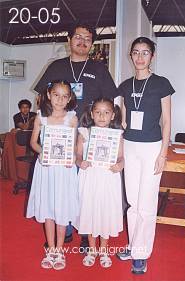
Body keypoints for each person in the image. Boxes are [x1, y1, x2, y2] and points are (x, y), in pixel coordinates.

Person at [34, 21, 118, 247]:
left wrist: (114, 127)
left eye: (88, 39)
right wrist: (46, 122)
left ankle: (85, 230)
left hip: (89, 134)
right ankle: (66, 228)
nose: (82, 41)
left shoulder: (99, 68)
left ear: (92, 45)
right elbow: (41, 97)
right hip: (59, 132)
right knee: (62, 183)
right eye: (78, 37)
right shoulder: (56, 66)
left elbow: (111, 100)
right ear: (69, 40)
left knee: (85, 184)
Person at [116, 37, 175, 274]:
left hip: (152, 147)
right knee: (133, 202)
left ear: (152, 56)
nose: (140, 57)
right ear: (130, 56)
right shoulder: (126, 85)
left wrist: (163, 153)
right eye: (136, 53)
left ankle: (141, 253)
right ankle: (133, 245)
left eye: (145, 53)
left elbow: (167, 120)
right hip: (130, 146)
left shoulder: (161, 83)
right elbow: (124, 117)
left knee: (147, 203)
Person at [26, 80, 79, 270]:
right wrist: (42, 153)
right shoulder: (41, 117)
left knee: (62, 208)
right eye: (56, 95)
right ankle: (50, 249)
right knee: (48, 207)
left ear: (69, 98)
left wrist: (71, 157)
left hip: (64, 170)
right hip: (46, 168)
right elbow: (33, 142)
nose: (60, 99)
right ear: (49, 95)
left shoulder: (72, 118)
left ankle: (60, 250)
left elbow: (74, 146)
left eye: (65, 96)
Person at [76, 97, 124, 268]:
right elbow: (78, 155)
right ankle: (91, 250)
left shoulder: (117, 135)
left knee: (105, 211)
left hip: (108, 178)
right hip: (90, 178)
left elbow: (121, 157)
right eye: (98, 112)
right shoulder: (84, 133)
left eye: (106, 112)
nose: (102, 116)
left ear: (112, 115)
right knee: (90, 211)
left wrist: (120, 165)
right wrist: (80, 162)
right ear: (91, 114)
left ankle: (103, 250)